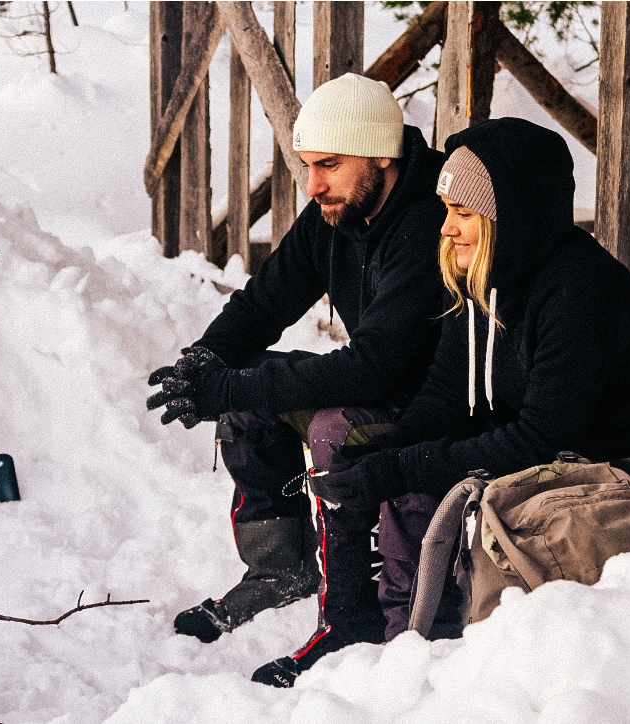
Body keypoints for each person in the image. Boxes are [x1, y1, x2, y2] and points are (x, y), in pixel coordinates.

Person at [311, 117, 630, 633]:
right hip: (585, 451)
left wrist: (403, 466)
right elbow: (448, 393)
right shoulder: (484, 275)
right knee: (416, 467)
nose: (445, 228)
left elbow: (543, 436)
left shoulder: (581, 289)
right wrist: (389, 450)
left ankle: (465, 641)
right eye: (447, 210)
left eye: (462, 213)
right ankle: (395, 631)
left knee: (504, 511)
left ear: (508, 217)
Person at [146, 73, 454, 684]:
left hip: (433, 405)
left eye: (329, 166)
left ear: (381, 155)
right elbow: (266, 302)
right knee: (246, 389)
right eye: (307, 166)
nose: (312, 186)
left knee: (332, 427)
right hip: (384, 382)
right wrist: (207, 360)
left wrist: (232, 386)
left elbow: (378, 368)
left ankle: (349, 623)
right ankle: (280, 567)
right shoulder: (339, 212)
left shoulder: (425, 224)